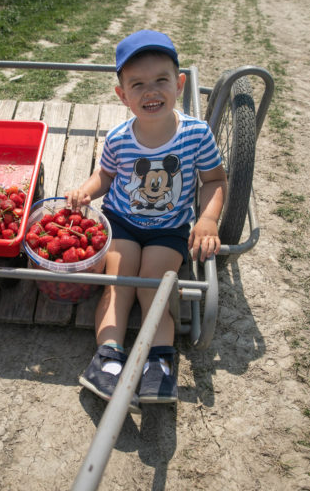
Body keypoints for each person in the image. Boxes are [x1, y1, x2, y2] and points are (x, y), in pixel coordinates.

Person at [65, 30, 227, 410]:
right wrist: (87, 190)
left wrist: (207, 219)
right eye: (137, 84)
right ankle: (107, 359)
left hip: (169, 228)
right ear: (122, 95)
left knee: (153, 288)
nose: (150, 92)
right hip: (121, 220)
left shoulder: (196, 134)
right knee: (118, 285)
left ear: (179, 84)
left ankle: (159, 364)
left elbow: (215, 180)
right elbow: (106, 175)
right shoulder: (119, 138)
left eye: (161, 80)